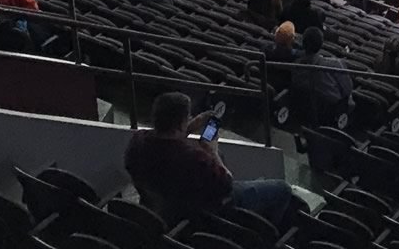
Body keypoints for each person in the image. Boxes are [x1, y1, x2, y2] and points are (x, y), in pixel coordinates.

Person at [124, 91, 297, 228]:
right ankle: (266, 232)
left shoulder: (138, 142)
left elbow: (166, 142)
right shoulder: (195, 159)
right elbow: (227, 185)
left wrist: (189, 127)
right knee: (282, 189)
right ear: (179, 123)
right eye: (188, 118)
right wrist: (212, 151)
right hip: (208, 208)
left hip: (166, 206)